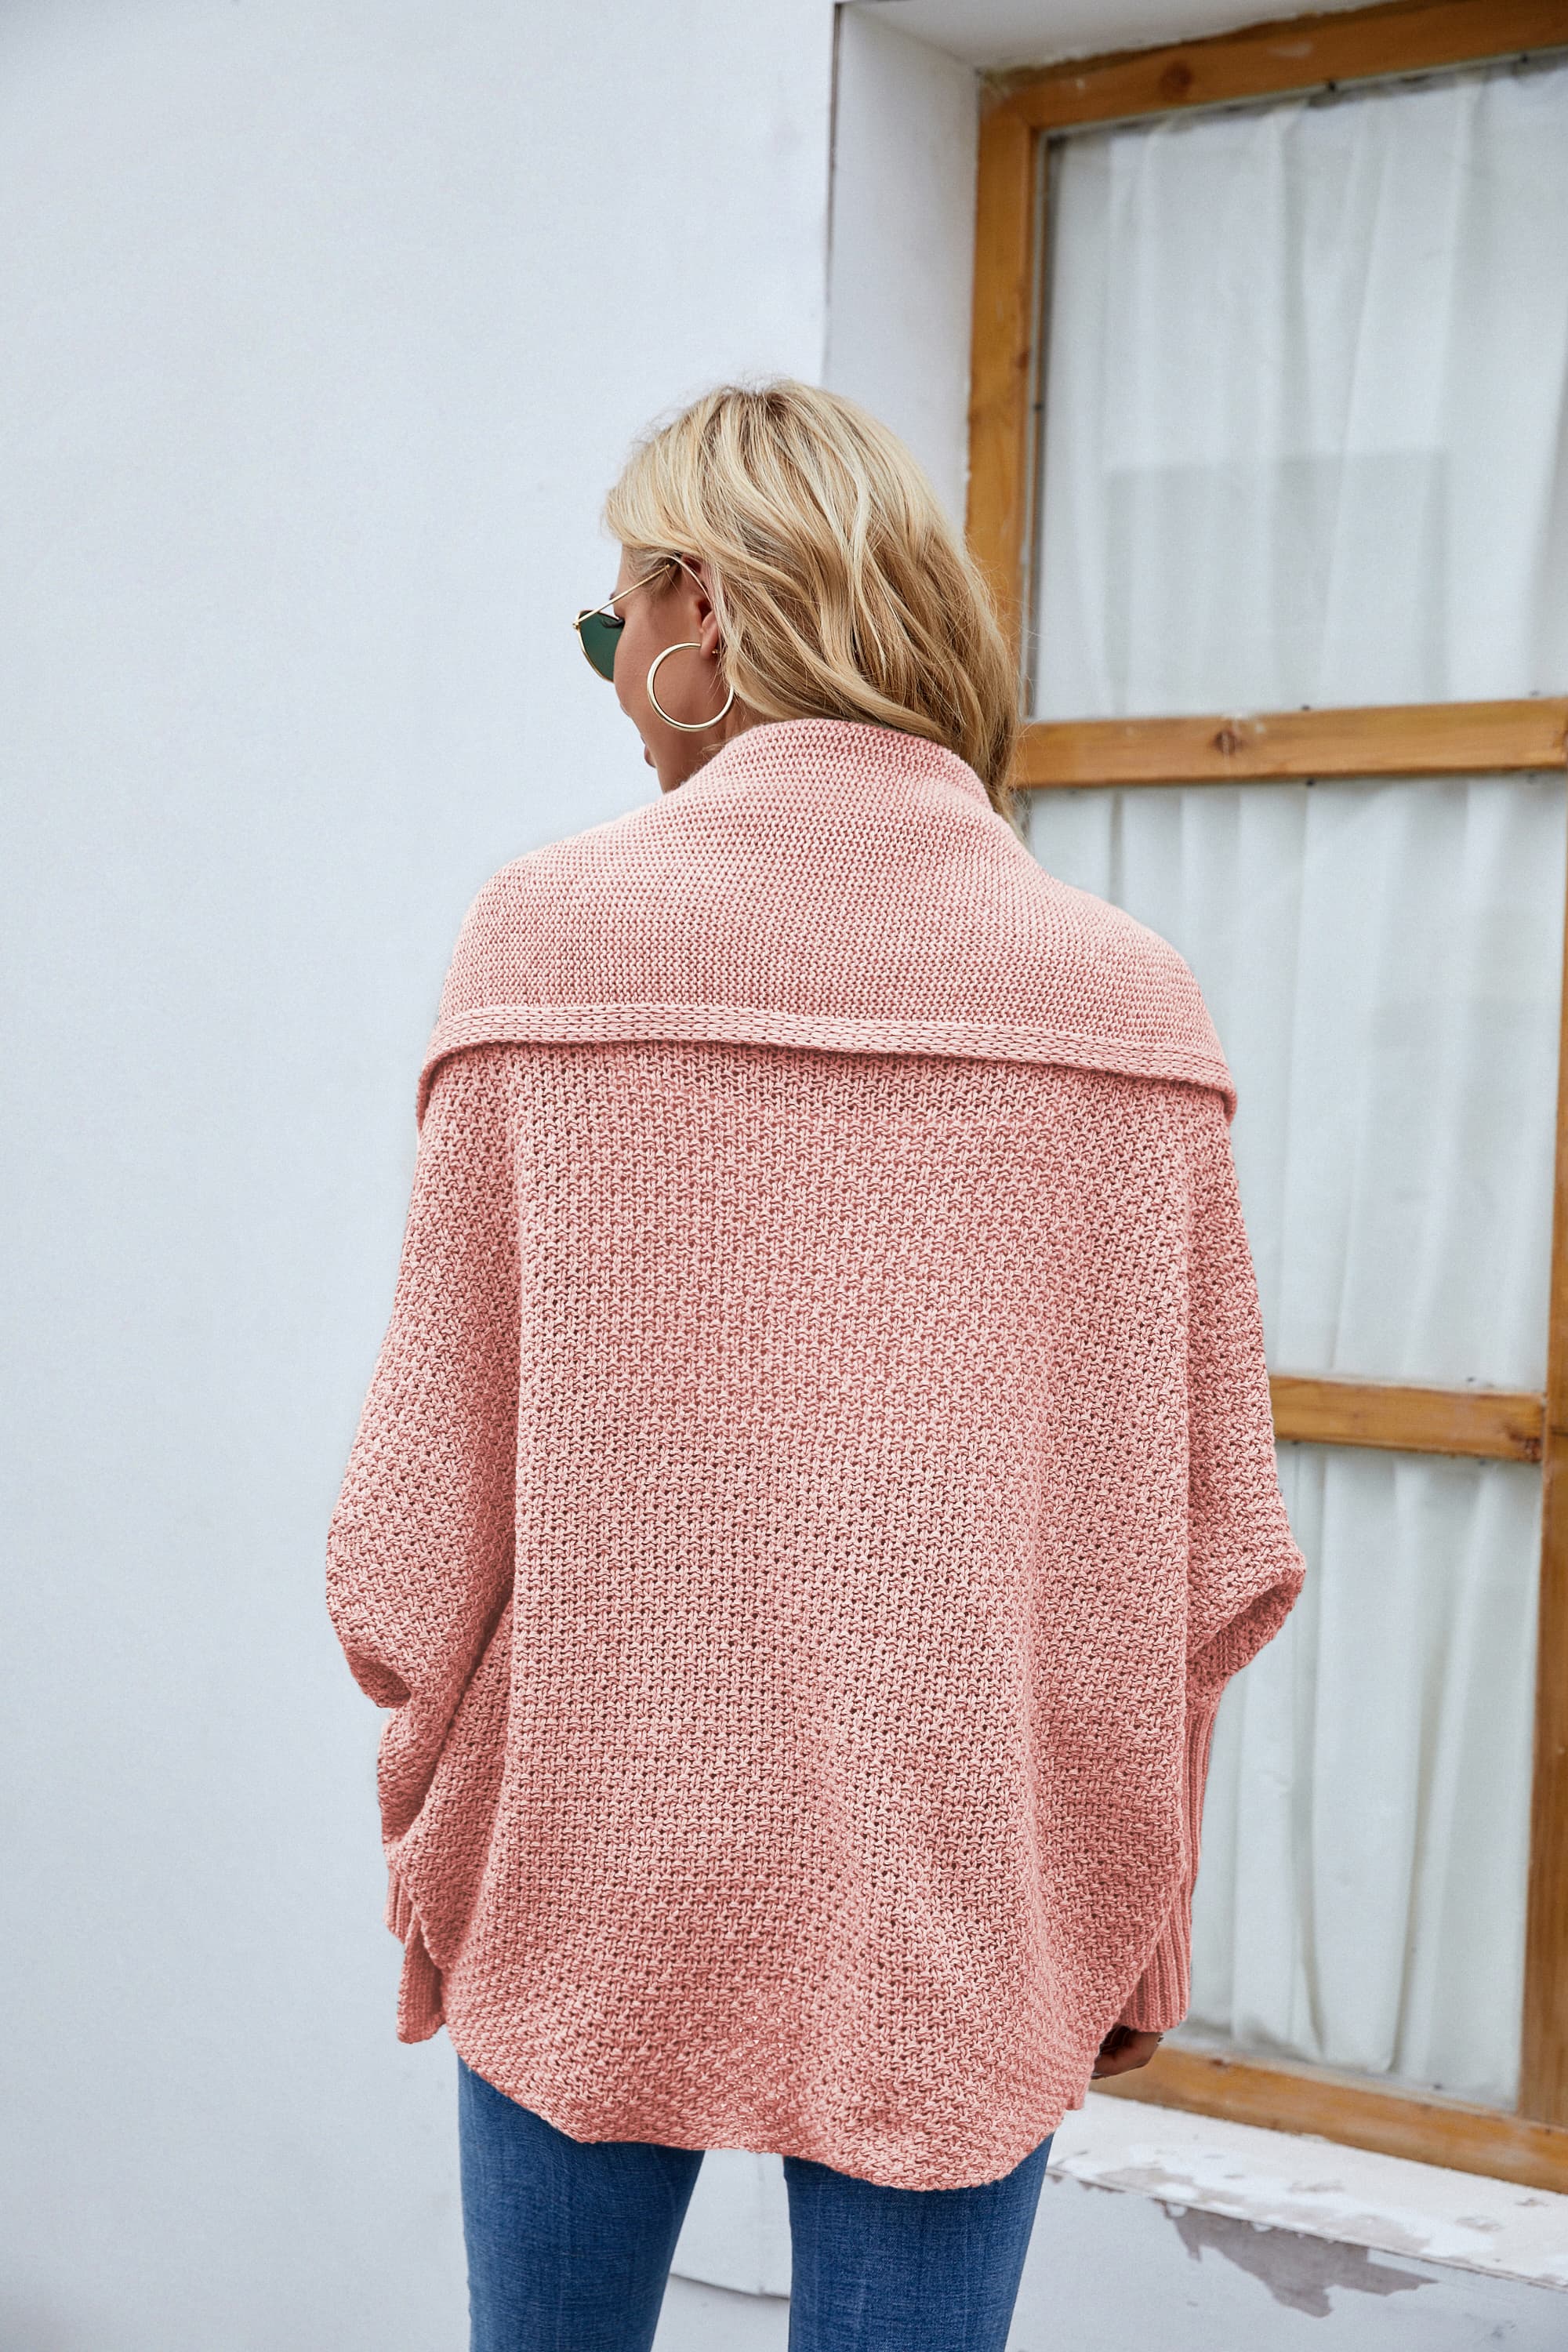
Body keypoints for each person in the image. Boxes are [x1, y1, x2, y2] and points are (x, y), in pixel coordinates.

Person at [325, 380, 1305, 2352]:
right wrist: (1118, 1924)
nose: (613, 683)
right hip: (967, 1892)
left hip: (586, 1865)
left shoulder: (546, 942)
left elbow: (409, 1540)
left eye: (608, 626)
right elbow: (1202, 1566)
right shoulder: (1124, 999)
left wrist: (445, 1851)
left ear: (698, 612)